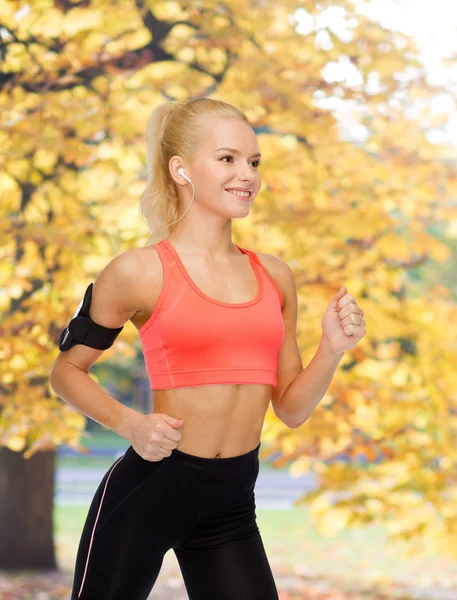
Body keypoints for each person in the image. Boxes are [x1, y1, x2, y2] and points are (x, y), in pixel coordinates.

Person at [50, 97, 305, 600]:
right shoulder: (138, 272)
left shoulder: (273, 275)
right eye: (228, 159)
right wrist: (132, 425)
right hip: (149, 492)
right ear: (181, 169)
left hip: (231, 506)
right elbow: (67, 372)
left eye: (253, 162)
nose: (247, 175)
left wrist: (335, 349)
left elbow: (291, 407)